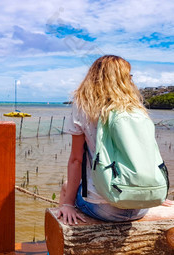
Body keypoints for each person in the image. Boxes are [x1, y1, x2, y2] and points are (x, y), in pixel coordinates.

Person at [58, 55, 174, 225]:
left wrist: (68, 204)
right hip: (144, 205)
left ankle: (56, 246)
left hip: (105, 209)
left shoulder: (84, 105)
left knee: (67, 186)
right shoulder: (136, 108)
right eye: (129, 76)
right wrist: (151, 192)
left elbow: (76, 160)